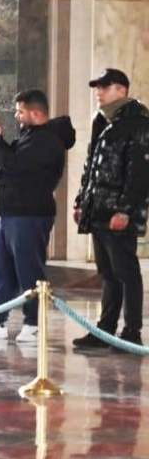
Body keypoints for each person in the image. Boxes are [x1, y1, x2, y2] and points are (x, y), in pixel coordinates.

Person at [0, 89, 74, 342]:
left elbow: (14, 165)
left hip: (30, 215)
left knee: (29, 271)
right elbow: (11, 163)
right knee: (1, 270)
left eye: (20, 111)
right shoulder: (30, 136)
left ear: (36, 113)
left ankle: (34, 324)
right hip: (10, 213)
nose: (16, 115)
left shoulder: (47, 141)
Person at [73, 69, 149, 350]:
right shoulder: (102, 121)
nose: (99, 92)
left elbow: (139, 174)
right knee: (108, 272)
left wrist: (125, 210)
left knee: (126, 272)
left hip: (118, 213)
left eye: (105, 87)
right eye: (97, 88)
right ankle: (105, 330)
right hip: (98, 210)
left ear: (122, 90)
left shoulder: (138, 123)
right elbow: (90, 166)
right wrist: (81, 201)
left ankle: (131, 332)